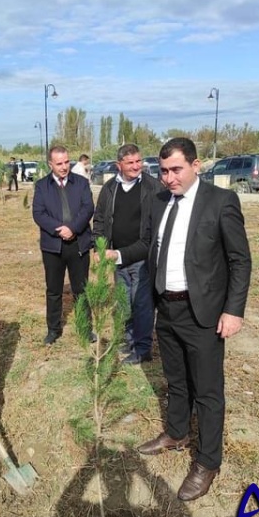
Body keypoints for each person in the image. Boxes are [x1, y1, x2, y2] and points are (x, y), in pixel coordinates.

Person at [136, 137, 251, 502]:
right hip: (166, 309)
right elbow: (151, 247)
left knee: (208, 391)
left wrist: (233, 310)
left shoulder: (220, 202)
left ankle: (207, 461)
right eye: (164, 170)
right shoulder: (159, 202)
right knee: (176, 379)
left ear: (196, 165)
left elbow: (239, 260)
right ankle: (176, 432)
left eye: (176, 170)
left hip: (202, 312)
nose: (169, 178)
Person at [92, 144, 157, 364]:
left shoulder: (153, 187)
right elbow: (100, 220)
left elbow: (154, 230)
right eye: (130, 162)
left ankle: (143, 348)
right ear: (119, 164)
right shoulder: (110, 188)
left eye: (139, 161)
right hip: (116, 259)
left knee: (141, 304)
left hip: (141, 258)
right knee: (123, 303)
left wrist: (117, 254)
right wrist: (98, 247)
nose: (136, 166)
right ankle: (129, 342)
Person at [32, 145, 94, 345]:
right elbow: (38, 213)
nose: (64, 167)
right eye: (59, 163)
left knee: (81, 289)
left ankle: (85, 329)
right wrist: (59, 229)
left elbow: (87, 208)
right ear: (50, 164)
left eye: (67, 162)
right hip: (53, 246)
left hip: (78, 244)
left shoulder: (82, 183)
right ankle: (53, 329)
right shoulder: (42, 186)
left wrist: (73, 229)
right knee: (53, 289)